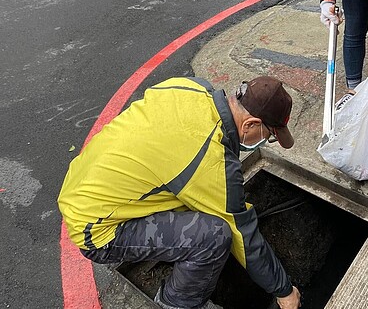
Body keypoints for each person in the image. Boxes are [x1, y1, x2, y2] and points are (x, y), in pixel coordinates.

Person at [57, 76, 302, 309]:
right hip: (98, 230)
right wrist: (284, 291)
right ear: (251, 125)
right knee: (214, 236)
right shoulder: (209, 160)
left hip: (80, 183)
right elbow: (244, 236)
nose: (265, 141)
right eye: (269, 137)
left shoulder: (190, 88)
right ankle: (176, 301)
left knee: (196, 202)